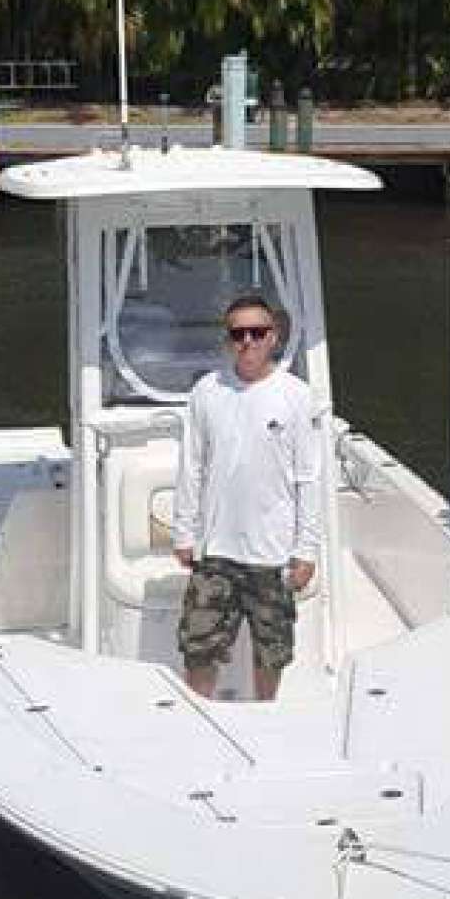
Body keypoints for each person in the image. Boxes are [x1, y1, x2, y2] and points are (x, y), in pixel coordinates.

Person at [172, 293, 320, 701]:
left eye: (258, 332)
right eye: (239, 333)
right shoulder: (206, 392)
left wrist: (306, 551)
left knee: (270, 655)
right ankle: (199, 719)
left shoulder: (296, 396)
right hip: (215, 549)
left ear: (274, 337)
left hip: (272, 554)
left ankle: (264, 719)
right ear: (228, 341)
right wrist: (184, 533)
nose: (248, 341)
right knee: (198, 651)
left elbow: (308, 480)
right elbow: (191, 468)